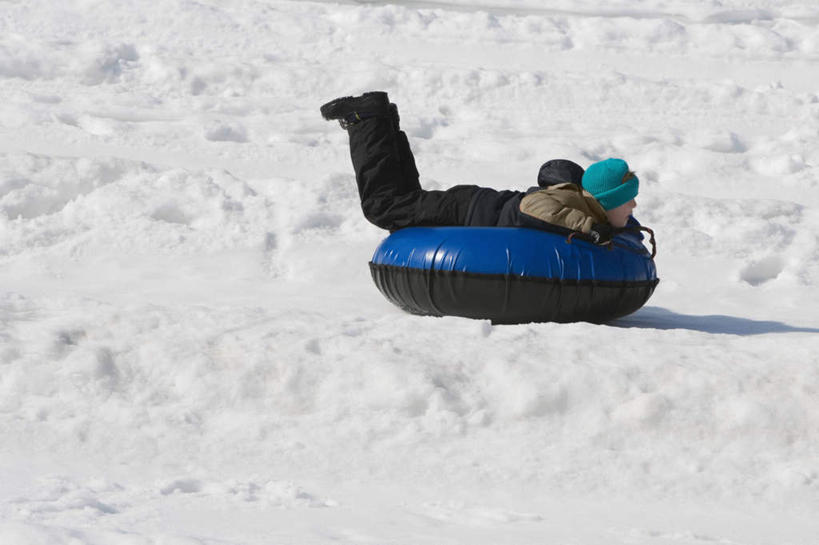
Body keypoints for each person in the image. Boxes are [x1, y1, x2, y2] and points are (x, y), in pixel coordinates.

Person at [320, 91, 644, 245]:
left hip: (470, 204)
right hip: (464, 210)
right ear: (603, 201)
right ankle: (366, 120)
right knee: (383, 207)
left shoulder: (585, 202)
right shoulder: (572, 204)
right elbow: (534, 207)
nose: (634, 205)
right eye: (627, 200)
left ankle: (383, 121)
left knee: (403, 197)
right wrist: (589, 227)